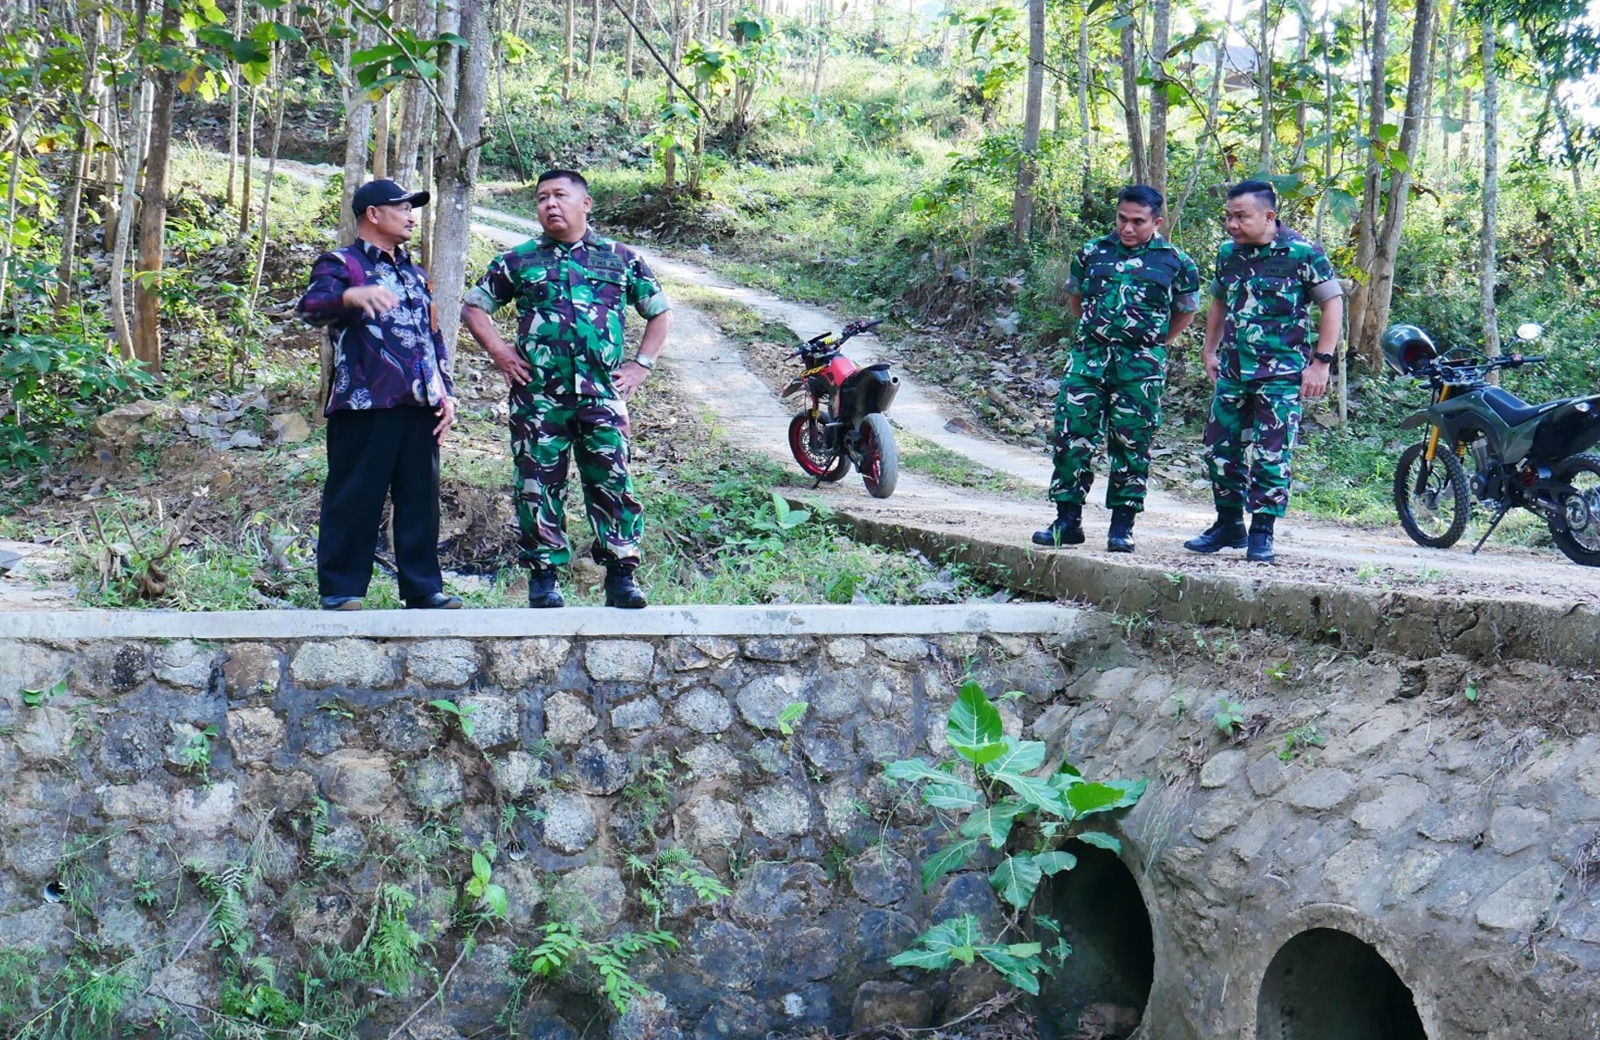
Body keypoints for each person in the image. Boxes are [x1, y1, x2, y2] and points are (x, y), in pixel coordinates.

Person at [461, 169, 672, 609]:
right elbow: (475, 307)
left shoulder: (620, 258)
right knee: (537, 485)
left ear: (585, 203)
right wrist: (501, 353)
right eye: (542, 198)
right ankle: (543, 579)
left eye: (559, 195)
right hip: (538, 398)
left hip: (602, 395)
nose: (550, 205)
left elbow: (659, 311)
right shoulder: (518, 260)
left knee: (612, 481)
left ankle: (621, 577)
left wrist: (640, 365)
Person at [297, 178, 461, 610]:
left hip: (420, 403)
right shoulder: (341, 263)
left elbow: (433, 338)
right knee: (354, 495)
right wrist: (351, 295)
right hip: (363, 403)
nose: (410, 216)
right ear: (373, 214)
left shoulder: (416, 274)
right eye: (402, 207)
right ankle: (341, 589)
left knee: (420, 499)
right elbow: (310, 308)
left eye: (412, 208)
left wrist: (446, 393)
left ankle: (423, 589)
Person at [1033, 185, 1200, 553]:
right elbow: (1076, 302)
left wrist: (1151, 343)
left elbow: (1185, 312)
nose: (1127, 228)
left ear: (1156, 222)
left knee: (1131, 444)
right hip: (1088, 361)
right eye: (1122, 219)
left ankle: (1122, 526)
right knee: (1071, 437)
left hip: (1140, 368)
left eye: (1138, 222)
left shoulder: (1176, 262)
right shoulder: (1092, 252)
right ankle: (1067, 521)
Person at [1184, 179, 1344, 564]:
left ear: (1269, 216)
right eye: (1228, 216)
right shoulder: (1228, 254)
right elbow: (1219, 302)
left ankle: (1262, 532)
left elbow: (1332, 303)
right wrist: (1209, 349)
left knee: (1272, 454)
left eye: (1241, 216)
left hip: (1281, 374)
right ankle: (1228, 525)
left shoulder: (1302, 252)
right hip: (1233, 370)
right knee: (1219, 448)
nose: (1232, 224)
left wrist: (1321, 362)